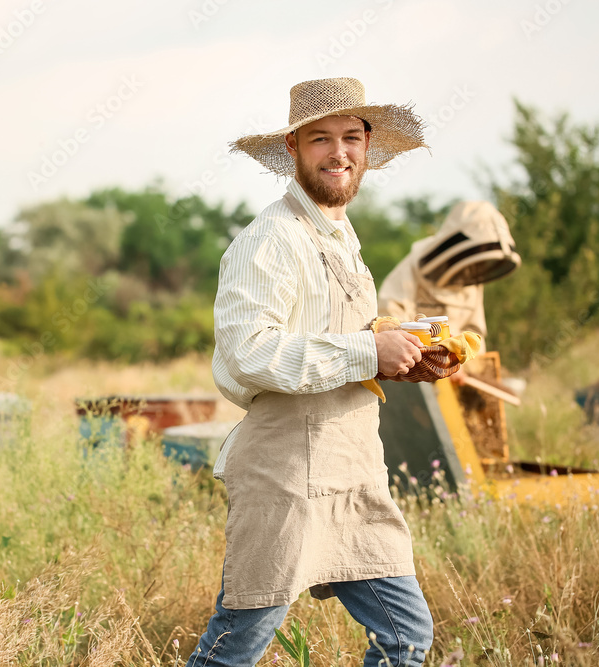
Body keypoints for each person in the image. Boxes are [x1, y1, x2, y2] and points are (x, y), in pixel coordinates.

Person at [187, 77, 441, 667]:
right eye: (321, 139)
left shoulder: (339, 234)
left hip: (349, 471)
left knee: (406, 637)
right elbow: (249, 352)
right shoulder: (272, 238)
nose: (339, 152)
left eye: (351, 137)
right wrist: (365, 353)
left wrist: (397, 354)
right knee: (233, 651)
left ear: (368, 147)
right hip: (285, 479)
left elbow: (335, 341)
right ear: (293, 147)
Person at [377, 200, 521, 349]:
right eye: (480, 249)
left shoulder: (472, 278)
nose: (476, 268)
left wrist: (463, 361)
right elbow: (389, 322)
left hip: (458, 367)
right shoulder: (410, 269)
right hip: (418, 364)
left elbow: (475, 334)